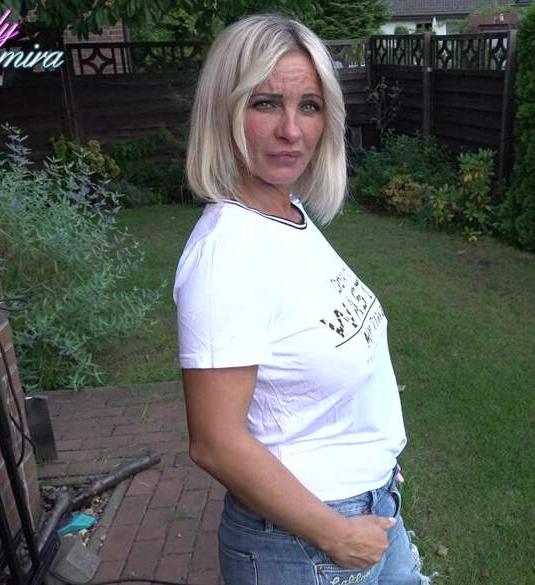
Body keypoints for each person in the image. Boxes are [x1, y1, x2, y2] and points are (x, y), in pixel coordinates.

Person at [173, 14, 431, 585]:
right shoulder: (226, 254)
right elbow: (215, 443)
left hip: (370, 506)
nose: (291, 130)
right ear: (224, 111)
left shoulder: (288, 214)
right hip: (305, 543)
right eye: (266, 103)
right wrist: (335, 533)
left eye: (309, 106)